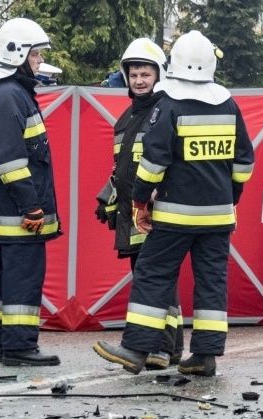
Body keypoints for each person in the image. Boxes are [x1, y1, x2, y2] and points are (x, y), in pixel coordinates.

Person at [93, 30, 255, 377]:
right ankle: (204, 357)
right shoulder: (228, 105)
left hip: (174, 215)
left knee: (153, 274)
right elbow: (245, 163)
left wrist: (138, 201)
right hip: (218, 216)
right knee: (211, 281)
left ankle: (135, 350)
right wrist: (232, 196)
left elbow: (153, 163)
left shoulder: (168, 105)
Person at [94, 37, 184, 370]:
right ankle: (171, 348)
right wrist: (110, 198)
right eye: (133, 75)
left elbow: (171, 163)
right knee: (154, 278)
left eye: (146, 73)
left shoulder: (166, 111)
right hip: (132, 212)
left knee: (155, 278)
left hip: (156, 212)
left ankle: (159, 350)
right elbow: (123, 169)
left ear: (159, 74)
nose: (139, 80)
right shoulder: (127, 118)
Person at [0, 18, 62, 366]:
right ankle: (19, 347)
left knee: (10, 277)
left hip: (12, 212)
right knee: (23, 278)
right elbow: (10, 160)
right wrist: (32, 207)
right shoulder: (10, 96)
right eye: (37, 55)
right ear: (18, 54)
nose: (40, 62)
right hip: (20, 215)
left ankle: (4, 342)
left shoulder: (10, 94)